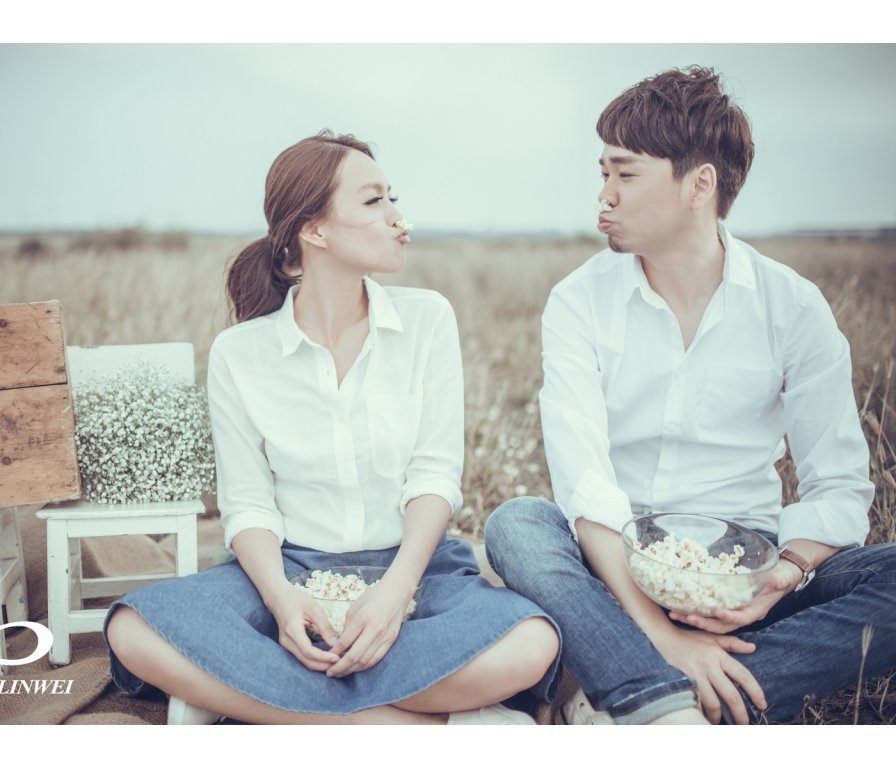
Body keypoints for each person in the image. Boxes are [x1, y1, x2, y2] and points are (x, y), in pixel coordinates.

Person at [104, 130, 560, 725]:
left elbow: (434, 475)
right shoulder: (239, 353)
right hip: (287, 571)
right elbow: (248, 505)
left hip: (416, 567)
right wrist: (282, 601)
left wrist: (393, 596)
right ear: (314, 230)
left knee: (532, 643)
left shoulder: (427, 318)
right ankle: (396, 725)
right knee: (132, 629)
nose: (399, 219)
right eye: (373, 201)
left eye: (392, 198)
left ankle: (269, 699)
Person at [484, 67, 896, 725]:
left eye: (625, 174)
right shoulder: (578, 301)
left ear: (699, 184)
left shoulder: (793, 307)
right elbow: (584, 483)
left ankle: (640, 693)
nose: (604, 194)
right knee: (517, 525)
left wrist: (781, 576)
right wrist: (665, 635)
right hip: (612, 568)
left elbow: (842, 489)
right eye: (603, 172)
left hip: (743, 576)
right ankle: (669, 699)